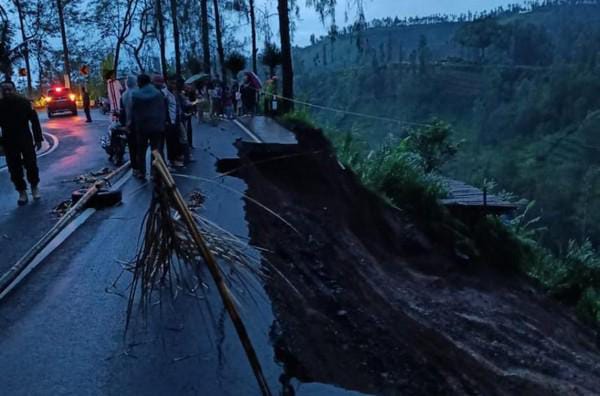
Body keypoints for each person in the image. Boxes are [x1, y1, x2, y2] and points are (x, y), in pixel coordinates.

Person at [0, 80, 44, 205]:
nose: (7, 92)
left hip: (25, 138)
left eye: (9, 89)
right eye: (4, 90)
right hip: (8, 140)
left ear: (14, 90)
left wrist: (38, 139)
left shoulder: (24, 103)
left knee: (31, 163)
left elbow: (34, 121)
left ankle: (34, 187)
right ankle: (22, 192)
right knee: (14, 168)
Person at [130, 74, 166, 179]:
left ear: (140, 82)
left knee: (141, 150)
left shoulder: (135, 94)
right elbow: (162, 110)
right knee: (156, 150)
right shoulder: (158, 93)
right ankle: (155, 172)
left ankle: (142, 172)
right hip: (156, 126)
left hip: (142, 127)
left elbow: (133, 112)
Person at [120, 75, 138, 171]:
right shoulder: (137, 93)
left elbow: (122, 111)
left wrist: (123, 125)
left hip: (128, 125)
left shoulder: (123, 95)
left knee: (132, 147)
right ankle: (140, 168)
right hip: (137, 125)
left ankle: (134, 167)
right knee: (140, 147)